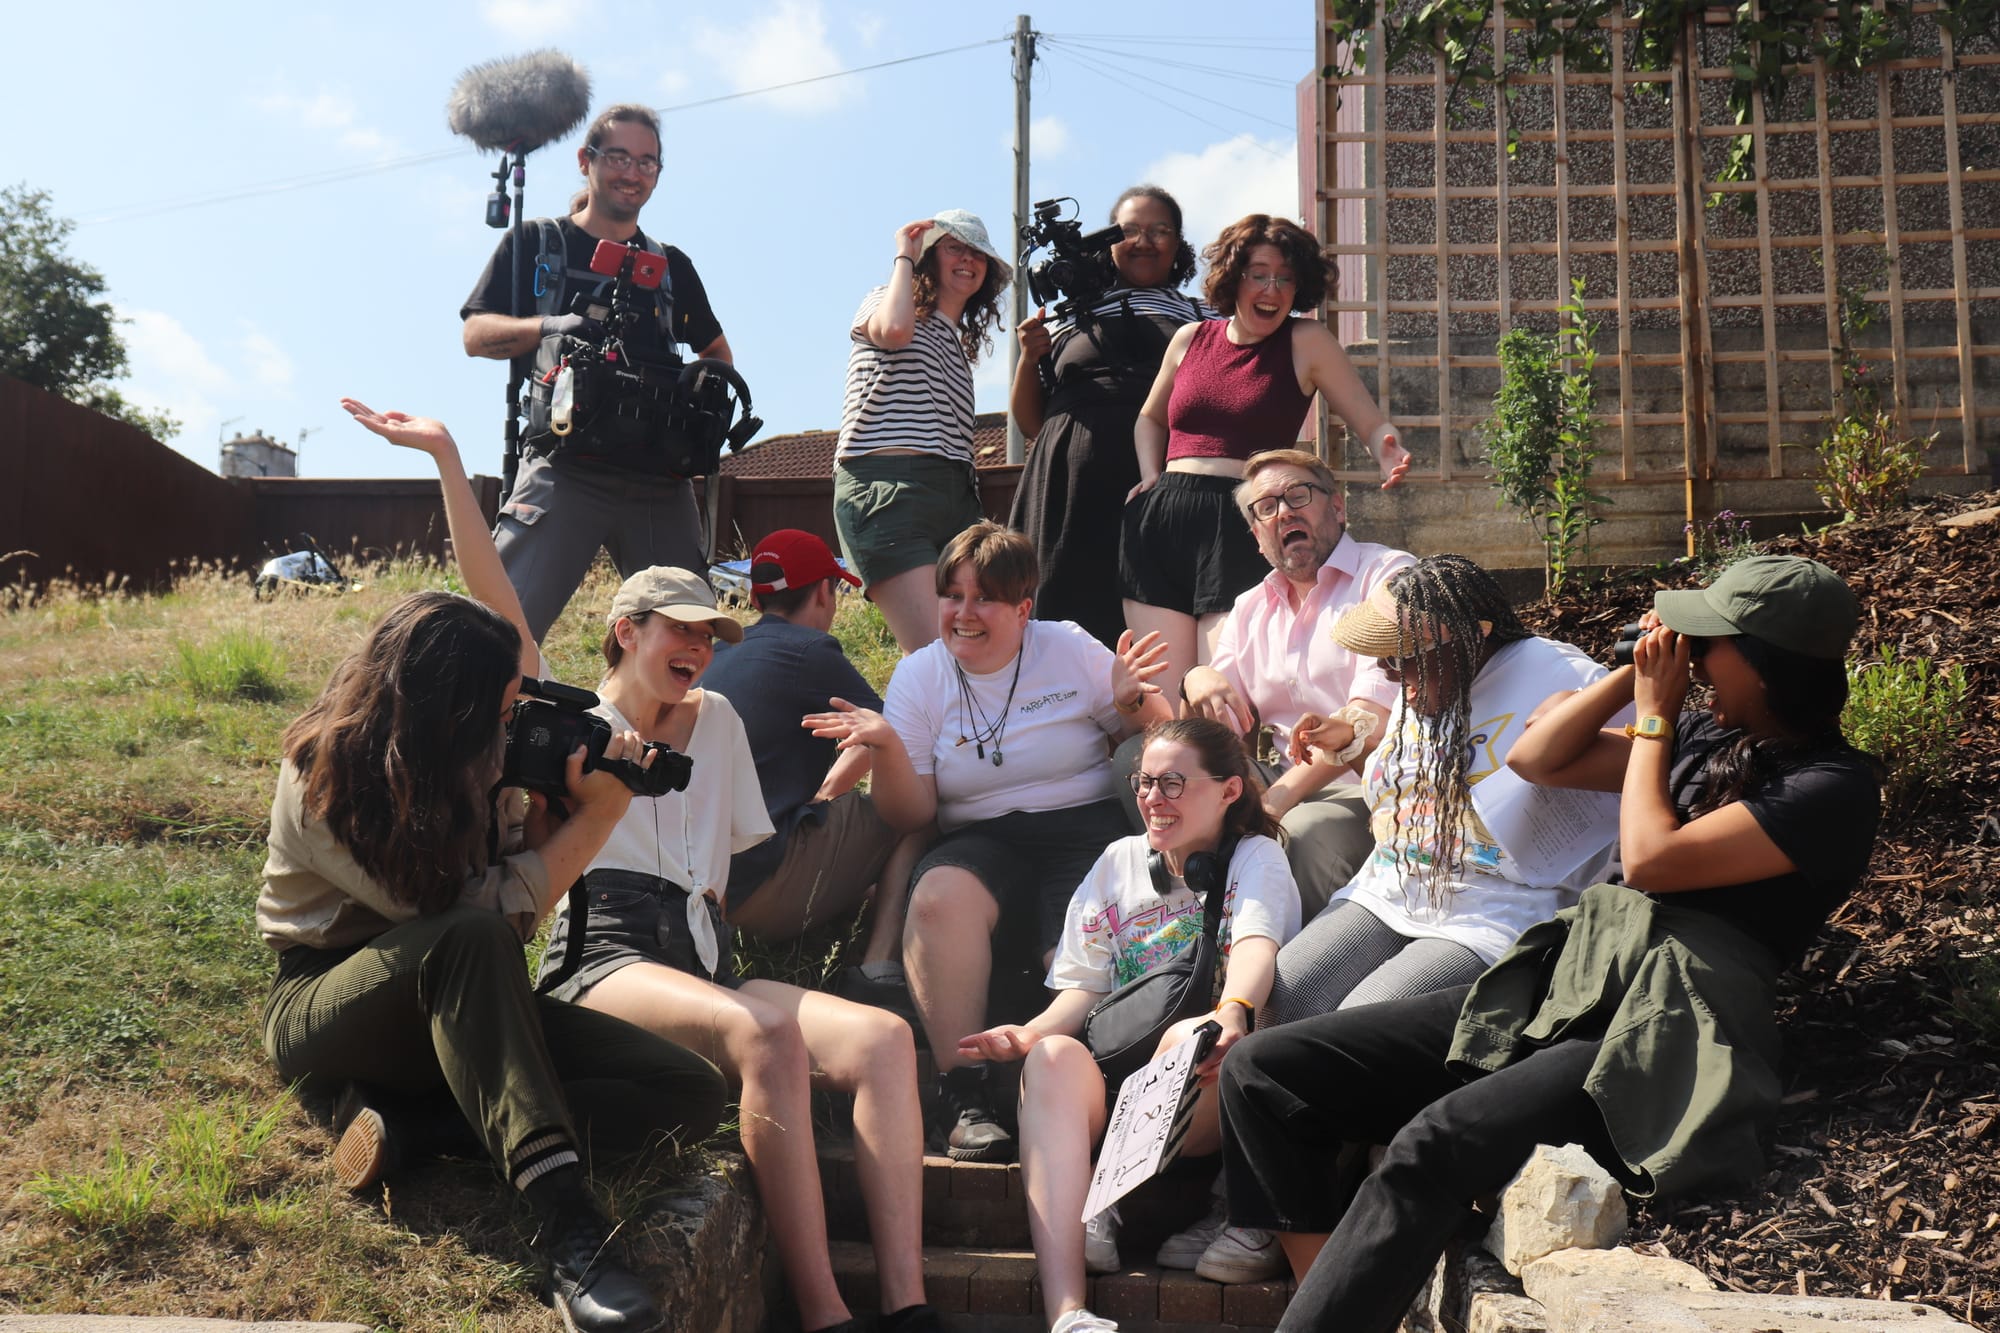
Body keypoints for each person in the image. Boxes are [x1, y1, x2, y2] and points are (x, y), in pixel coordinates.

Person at [342, 403, 941, 1333]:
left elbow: (739, 858)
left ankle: (906, 1306)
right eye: (680, 630)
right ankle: (826, 1314)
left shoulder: (721, 721)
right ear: (627, 630)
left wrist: (838, 785)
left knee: (885, 1041)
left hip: (703, 960)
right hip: (604, 960)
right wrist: (451, 462)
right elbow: (499, 604)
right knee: (763, 1035)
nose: (698, 649)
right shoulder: (571, 719)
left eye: (709, 636)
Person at [1217, 555, 1881, 1333]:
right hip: (1573, 978)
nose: (1693, 656)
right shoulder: (1707, 736)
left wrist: (1656, 720)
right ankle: (1319, 1295)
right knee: (1263, 1068)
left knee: (1433, 1141)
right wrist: (1633, 673)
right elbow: (1536, 757)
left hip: (1662, 1018)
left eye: (1710, 642)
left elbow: (1653, 860)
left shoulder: (1831, 787)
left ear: (1768, 664)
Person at [265, 410, 730, 1333]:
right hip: (335, 1003)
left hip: (469, 1005)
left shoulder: (483, 757)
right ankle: (569, 1229)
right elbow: (466, 916)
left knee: (690, 1091)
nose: (513, 725)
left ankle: (421, 1129)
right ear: (443, 708)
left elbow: (506, 901)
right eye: (503, 709)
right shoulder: (325, 775)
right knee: (471, 934)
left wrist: (545, 815)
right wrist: (592, 824)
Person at [1157, 553, 1616, 1284]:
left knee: (1353, 1029)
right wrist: (1350, 742)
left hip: (1492, 913)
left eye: (1405, 658)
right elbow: (1402, 777)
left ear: (1474, 634)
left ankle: (1294, 1216)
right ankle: (1242, 1202)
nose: (1390, 673)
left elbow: (1637, 769)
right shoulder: (1425, 682)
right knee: (1283, 993)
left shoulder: (1561, 675)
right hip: (1390, 890)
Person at [807, 521, 1172, 1162]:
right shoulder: (921, 675)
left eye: (985, 599)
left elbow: (1161, 744)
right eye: (952, 596)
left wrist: (1132, 703)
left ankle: (1098, 1096)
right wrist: (887, 750)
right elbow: (913, 812)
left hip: (1083, 826)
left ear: (1023, 609)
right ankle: (962, 1093)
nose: (964, 613)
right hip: (980, 835)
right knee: (937, 899)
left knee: (1078, 948)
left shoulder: (1067, 647)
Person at [958, 718, 1299, 1333]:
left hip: (1211, 1088)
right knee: (1052, 1057)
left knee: (1188, 1036)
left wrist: (1232, 1009)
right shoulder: (1118, 860)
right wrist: (1029, 1034)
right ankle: (1068, 1313)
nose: (1152, 798)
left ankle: (1195, 1203)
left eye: (1174, 783)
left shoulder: (1256, 857)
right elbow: (1083, 987)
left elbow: (1256, 947)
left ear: (1229, 790)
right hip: (1120, 1087)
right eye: (1145, 782)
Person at [462, 103, 733, 643]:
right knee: (499, 637)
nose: (632, 173)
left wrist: (698, 401)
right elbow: (476, 335)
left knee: (688, 636)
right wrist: (550, 327)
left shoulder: (670, 266)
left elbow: (717, 355)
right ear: (586, 161)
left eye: (647, 162)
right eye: (618, 157)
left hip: (659, 479)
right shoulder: (538, 245)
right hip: (565, 468)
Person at [1118, 214, 1412, 699]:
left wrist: (1386, 447)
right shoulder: (1189, 339)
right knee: (1163, 699)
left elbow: (1369, 421)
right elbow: (1149, 419)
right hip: (1161, 521)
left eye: (1285, 278)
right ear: (1234, 278)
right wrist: (1151, 476)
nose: (1271, 289)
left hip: (1241, 520)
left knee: (1224, 696)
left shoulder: (1306, 340)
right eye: (1259, 274)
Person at [1151, 447, 1415, 922]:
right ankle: (1185, 931)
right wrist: (1195, 678)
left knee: (1302, 832)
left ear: (1338, 507)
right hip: (1278, 779)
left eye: (1298, 495)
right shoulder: (1250, 606)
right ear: (1257, 536)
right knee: (1151, 767)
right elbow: (1214, 732)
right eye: (1266, 508)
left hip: (1372, 783)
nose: (1284, 512)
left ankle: (1290, 964)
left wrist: (1272, 804)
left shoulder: (1387, 576)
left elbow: (1367, 721)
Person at [701, 528, 925, 1004]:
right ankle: (877, 965)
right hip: (760, 885)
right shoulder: (809, 650)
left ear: (756, 597)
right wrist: (829, 793)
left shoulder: (719, 652)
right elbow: (884, 732)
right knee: (916, 811)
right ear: (825, 591)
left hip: (701, 890)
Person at [1008, 186, 1215, 650]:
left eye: (1160, 231)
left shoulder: (1206, 315)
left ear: (1178, 243)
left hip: (1164, 479)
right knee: (1064, 619)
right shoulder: (1066, 318)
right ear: (1107, 242)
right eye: (1130, 231)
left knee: (1163, 617)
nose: (1144, 241)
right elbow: (1032, 424)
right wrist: (1028, 358)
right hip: (1070, 484)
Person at [833, 212, 1011, 654]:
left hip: (956, 495)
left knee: (984, 647)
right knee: (939, 653)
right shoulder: (884, 300)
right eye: (954, 248)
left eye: (977, 253)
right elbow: (894, 331)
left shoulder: (956, 345)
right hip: (889, 488)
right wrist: (903, 256)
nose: (967, 259)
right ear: (930, 258)